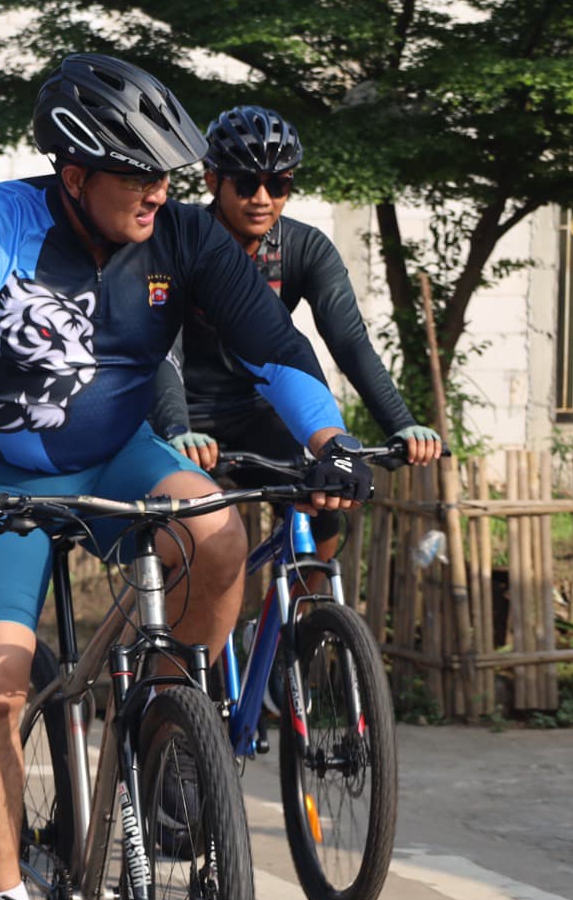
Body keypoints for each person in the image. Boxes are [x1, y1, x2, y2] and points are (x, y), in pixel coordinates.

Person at [0, 54, 374, 900]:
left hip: (117, 458)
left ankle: (167, 718)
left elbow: (274, 345)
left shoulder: (184, 238)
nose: (159, 193)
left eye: (167, 175)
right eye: (135, 174)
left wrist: (330, 438)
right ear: (73, 176)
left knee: (219, 531)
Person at [150, 106, 442, 568]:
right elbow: (162, 346)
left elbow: (349, 341)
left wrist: (399, 423)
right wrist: (176, 426)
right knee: (179, 533)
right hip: (179, 408)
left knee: (323, 502)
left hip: (255, 409)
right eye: (246, 184)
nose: (262, 198)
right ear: (211, 180)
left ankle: (314, 613)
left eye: (279, 184)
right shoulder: (179, 239)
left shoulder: (304, 249)